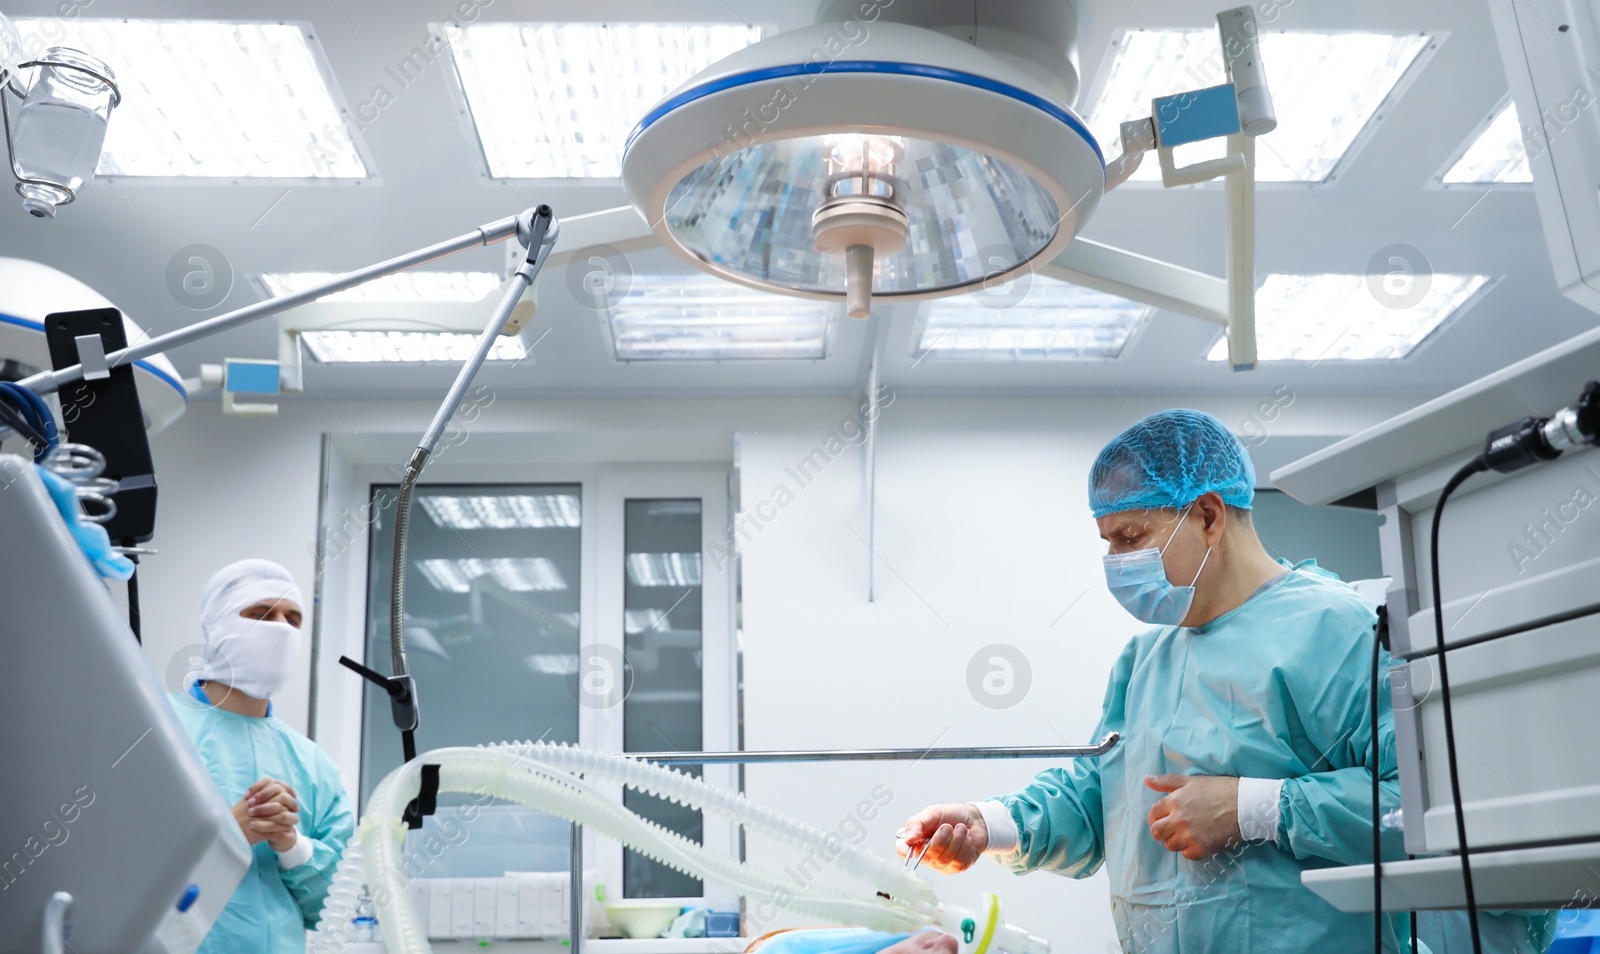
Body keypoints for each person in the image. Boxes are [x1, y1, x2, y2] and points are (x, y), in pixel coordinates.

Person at [893, 410, 1554, 953]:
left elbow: (1418, 806)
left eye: (1131, 536)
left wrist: (1252, 808)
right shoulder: (1145, 659)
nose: (1116, 562)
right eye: (1108, 542)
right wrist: (989, 823)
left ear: (1209, 515)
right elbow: (1099, 792)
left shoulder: (1339, 630)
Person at [170, 559, 354, 954]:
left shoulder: (312, 765)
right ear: (219, 625)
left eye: (293, 619)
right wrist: (228, 838)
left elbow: (332, 907)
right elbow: (117, 877)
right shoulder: (157, 731)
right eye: (261, 614)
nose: (281, 629)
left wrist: (292, 845)